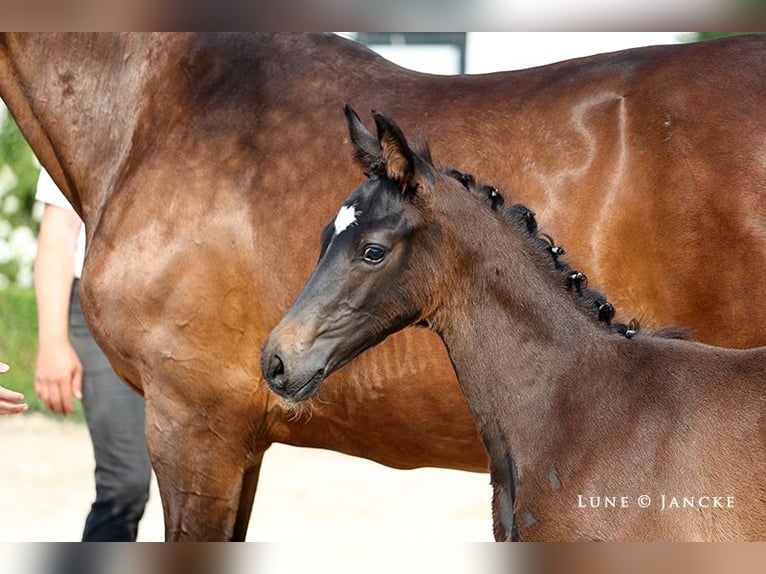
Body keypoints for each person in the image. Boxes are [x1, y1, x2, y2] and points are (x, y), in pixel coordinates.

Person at [34, 168, 152, 541]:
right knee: (125, 483)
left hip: (185, 311)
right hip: (101, 310)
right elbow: (59, 232)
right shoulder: (95, 114)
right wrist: (53, 343)